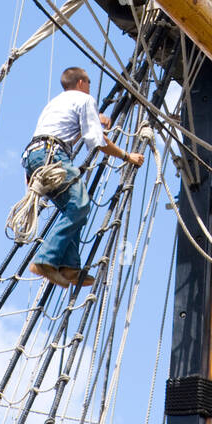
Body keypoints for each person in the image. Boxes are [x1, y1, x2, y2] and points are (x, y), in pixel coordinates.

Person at [23, 66, 143, 289]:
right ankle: (45, 259)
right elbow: (97, 142)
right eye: (88, 81)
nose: (90, 86)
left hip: (35, 158)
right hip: (54, 155)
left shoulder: (55, 103)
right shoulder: (85, 100)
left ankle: (69, 266)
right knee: (80, 205)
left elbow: (62, 127)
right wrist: (127, 156)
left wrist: (96, 119)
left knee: (73, 208)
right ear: (81, 83)